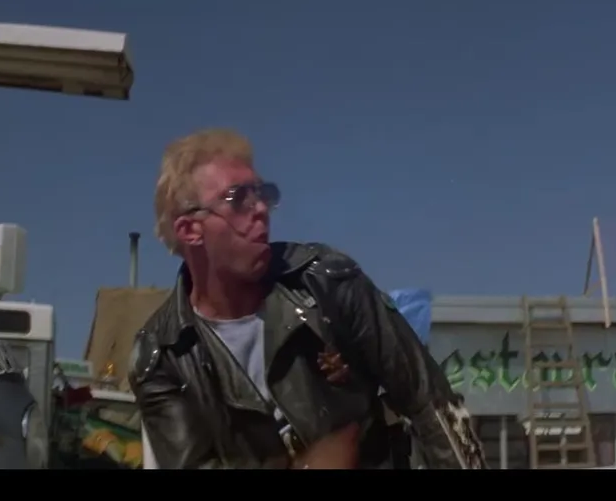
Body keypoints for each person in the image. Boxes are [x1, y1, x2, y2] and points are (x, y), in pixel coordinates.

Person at [129, 128, 486, 469]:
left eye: (262, 194)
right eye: (238, 199)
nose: (260, 208)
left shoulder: (326, 282)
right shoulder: (161, 356)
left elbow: (429, 400)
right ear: (190, 230)